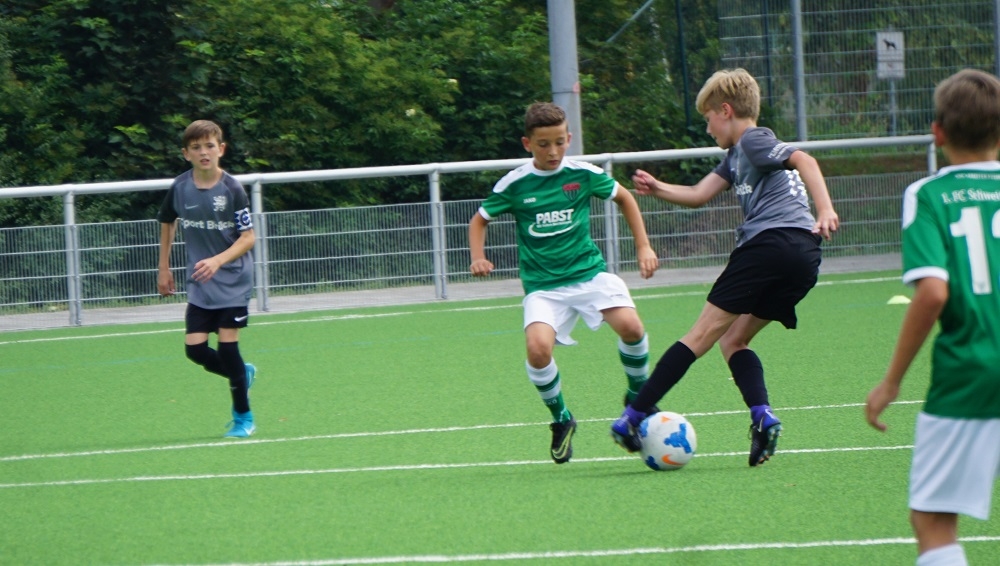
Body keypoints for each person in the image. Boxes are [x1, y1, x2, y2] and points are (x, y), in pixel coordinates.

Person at [611, 68, 840, 466]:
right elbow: (699, 194)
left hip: (769, 244)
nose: (707, 128)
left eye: (708, 119)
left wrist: (826, 208)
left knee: (699, 335)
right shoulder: (736, 157)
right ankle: (762, 416)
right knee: (733, 340)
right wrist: (658, 189)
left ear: (726, 110)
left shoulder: (753, 139)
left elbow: (804, 158)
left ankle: (632, 416)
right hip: (804, 255)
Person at [469, 102, 659, 464]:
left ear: (569, 138)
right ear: (528, 144)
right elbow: (479, 220)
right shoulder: (515, 184)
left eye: (559, 142)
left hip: (589, 273)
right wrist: (478, 256)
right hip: (543, 287)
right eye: (543, 144)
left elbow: (625, 198)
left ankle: (637, 399)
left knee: (632, 327)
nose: (553, 151)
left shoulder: (582, 174)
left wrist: (643, 246)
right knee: (538, 349)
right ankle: (561, 419)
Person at [865, 69, 1000, 566]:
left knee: (934, 521)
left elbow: (933, 293)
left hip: (970, 374)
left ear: (937, 132)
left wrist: (891, 382)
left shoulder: (929, 195)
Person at [157, 119, 258, 438]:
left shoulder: (232, 189)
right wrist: (163, 267)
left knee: (227, 349)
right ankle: (242, 374)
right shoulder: (180, 187)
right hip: (201, 282)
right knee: (195, 350)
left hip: (233, 279)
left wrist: (217, 260)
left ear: (221, 149)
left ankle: (243, 418)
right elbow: (167, 221)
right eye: (196, 147)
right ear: (186, 153)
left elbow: (248, 237)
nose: (204, 152)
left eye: (210, 146)